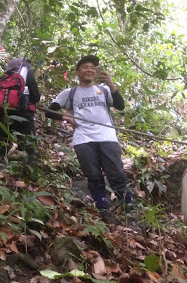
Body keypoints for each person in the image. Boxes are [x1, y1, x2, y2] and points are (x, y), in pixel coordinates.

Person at [45, 55, 132, 217]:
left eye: (93, 67)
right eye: (85, 67)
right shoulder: (70, 92)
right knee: (93, 175)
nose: (90, 70)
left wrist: (111, 84)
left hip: (107, 137)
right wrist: (67, 118)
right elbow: (50, 111)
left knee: (117, 174)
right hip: (83, 139)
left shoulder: (104, 90)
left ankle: (129, 208)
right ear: (77, 72)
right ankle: (103, 208)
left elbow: (120, 106)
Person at [0, 58, 40, 164]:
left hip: (2, 114)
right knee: (28, 143)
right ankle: (27, 166)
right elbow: (36, 97)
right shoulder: (27, 76)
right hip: (23, 114)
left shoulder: (2, 78)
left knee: (4, 141)